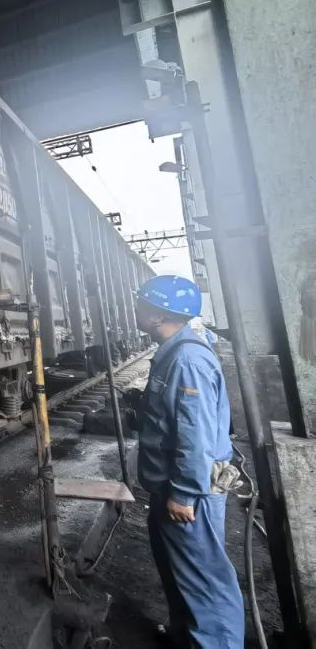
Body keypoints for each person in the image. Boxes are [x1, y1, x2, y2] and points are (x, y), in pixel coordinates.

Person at [133, 275, 244, 648]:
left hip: (188, 493)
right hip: (170, 484)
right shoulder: (174, 352)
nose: (135, 308)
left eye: (142, 303)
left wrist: (182, 494)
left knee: (205, 580)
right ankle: (186, 637)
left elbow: (195, 436)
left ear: (158, 316)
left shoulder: (186, 360)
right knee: (180, 572)